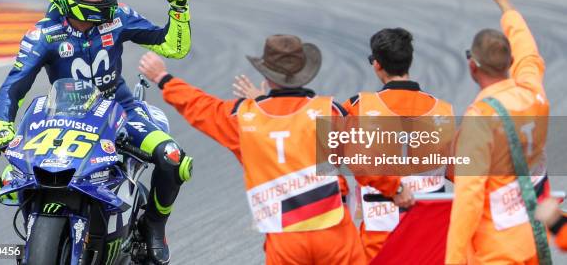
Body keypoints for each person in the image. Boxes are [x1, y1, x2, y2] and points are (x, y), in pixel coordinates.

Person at [139, 34, 414, 264]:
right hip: (333, 231)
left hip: (284, 237)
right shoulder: (327, 112)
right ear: (304, 73)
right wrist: (396, 190)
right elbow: (365, 162)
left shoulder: (245, 118)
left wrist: (164, 78)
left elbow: (201, 108)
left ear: (267, 76)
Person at [0, 0, 193, 264]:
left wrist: (178, 12)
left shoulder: (118, 17)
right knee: (24, 170)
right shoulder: (43, 35)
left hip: (120, 109)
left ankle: (153, 227)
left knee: (173, 159)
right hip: (63, 114)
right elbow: (12, 87)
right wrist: (2, 126)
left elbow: (172, 47)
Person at [446, 0, 551, 265]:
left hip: (498, 251)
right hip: (534, 238)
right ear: (509, 64)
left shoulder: (479, 120)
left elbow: (468, 198)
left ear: (471, 67)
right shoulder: (533, 94)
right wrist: (506, 5)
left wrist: (454, 260)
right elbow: (529, 54)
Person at [338, 28, 455, 261]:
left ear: (376, 65)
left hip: (379, 229)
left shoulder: (355, 108)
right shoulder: (443, 110)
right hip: (428, 229)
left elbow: (327, 165)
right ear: (409, 61)